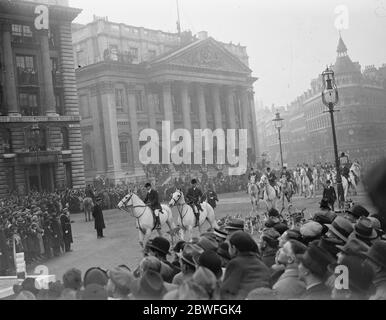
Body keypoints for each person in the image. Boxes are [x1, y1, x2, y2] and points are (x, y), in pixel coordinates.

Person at [221, 231, 270, 300]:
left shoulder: (235, 263)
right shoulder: (261, 263)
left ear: (234, 248)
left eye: (229, 247)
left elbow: (226, 291)